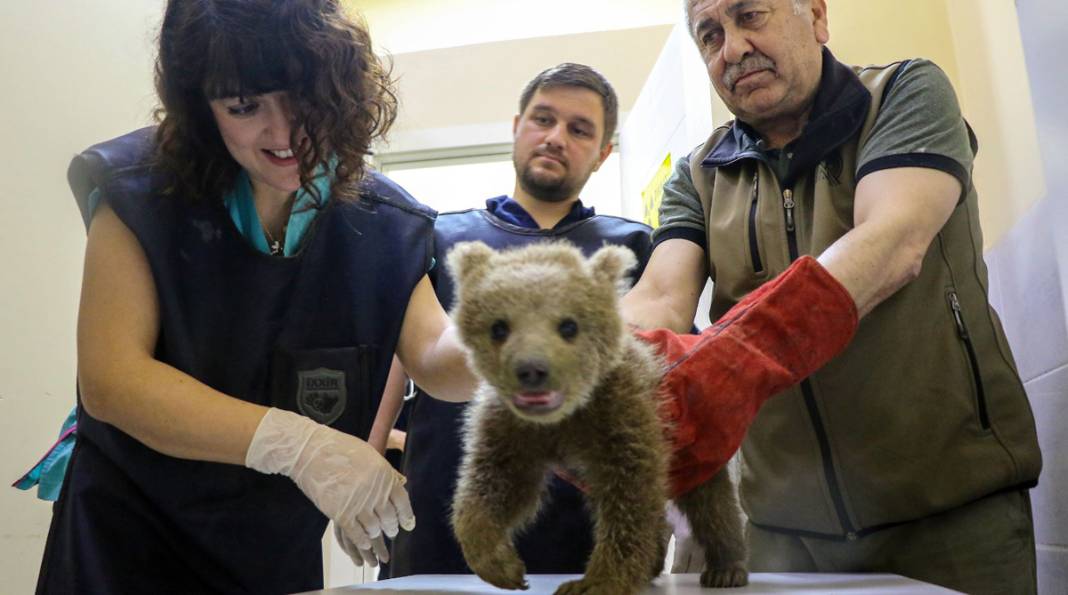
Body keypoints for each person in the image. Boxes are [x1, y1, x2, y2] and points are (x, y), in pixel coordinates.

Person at [35, 1, 476, 592]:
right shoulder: (140, 190)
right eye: (244, 106)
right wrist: (299, 446)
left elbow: (437, 358)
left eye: (303, 97)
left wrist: (524, 351)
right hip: (126, 540)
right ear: (201, 106)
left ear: (341, 88)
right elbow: (114, 381)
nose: (283, 132)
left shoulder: (382, 220)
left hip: (268, 548)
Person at [621, 1, 1042, 593]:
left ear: (816, 17)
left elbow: (892, 241)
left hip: (950, 514)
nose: (733, 49)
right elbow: (661, 297)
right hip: (780, 533)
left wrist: (731, 359)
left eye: (750, 15)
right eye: (710, 35)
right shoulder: (697, 174)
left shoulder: (904, 92)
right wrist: (599, 371)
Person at [384, 63, 654, 578]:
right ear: (516, 126)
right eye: (543, 119)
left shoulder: (630, 248)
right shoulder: (441, 237)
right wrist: (370, 454)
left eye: (580, 130)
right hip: (441, 512)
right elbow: (399, 358)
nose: (556, 138)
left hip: (584, 528)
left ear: (603, 154)